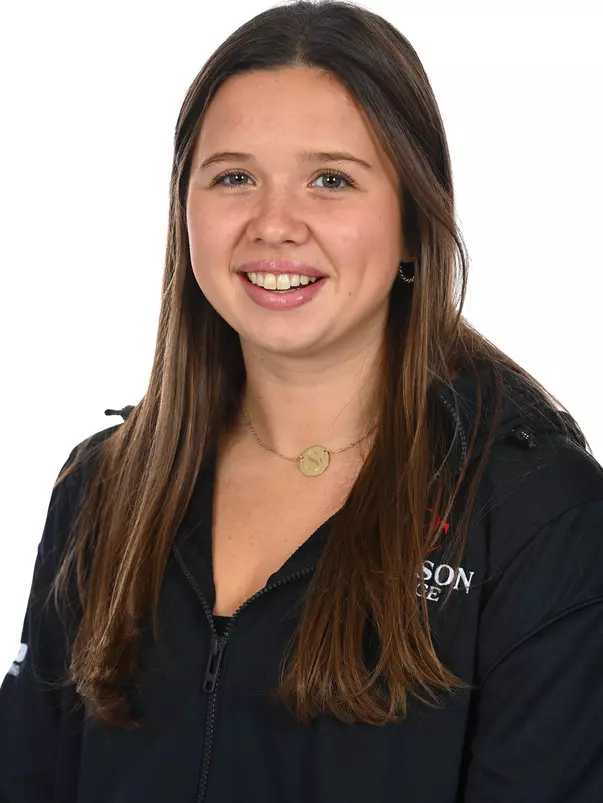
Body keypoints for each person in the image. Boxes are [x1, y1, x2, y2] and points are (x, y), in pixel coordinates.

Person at [1, 1, 602, 800]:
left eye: (330, 179)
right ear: (186, 210)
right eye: (234, 177)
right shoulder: (104, 491)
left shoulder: (536, 515)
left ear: (415, 220)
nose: (274, 224)